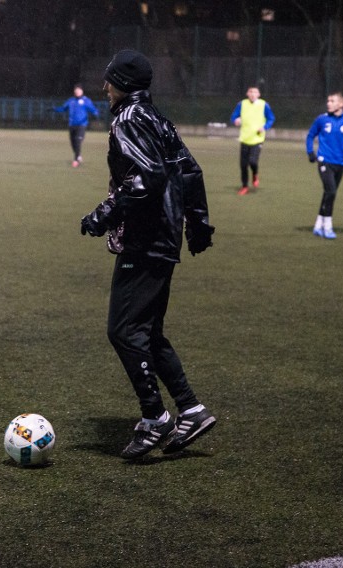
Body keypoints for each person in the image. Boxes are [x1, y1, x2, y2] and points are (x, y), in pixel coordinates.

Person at [80, 49, 216, 459]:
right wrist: (198, 223)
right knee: (147, 332)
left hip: (145, 237)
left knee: (122, 331)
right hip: (166, 236)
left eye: (108, 80)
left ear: (121, 83)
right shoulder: (157, 118)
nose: (104, 87)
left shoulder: (127, 119)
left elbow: (146, 178)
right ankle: (191, 409)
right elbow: (188, 170)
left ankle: (154, 417)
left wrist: (103, 214)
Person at [305, 92, 343, 239]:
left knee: (328, 193)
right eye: (328, 100)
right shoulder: (321, 119)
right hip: (324, 161)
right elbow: (310, 135)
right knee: (331, 192)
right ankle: (328, 227)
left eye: (332, 101)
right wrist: (310, 152)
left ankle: (318, 225)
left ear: (341, 104)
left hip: (340, 163)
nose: (328, 103)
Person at [230, 86, 274, 195]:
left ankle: (255, 174)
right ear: (247, 93)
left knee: (253, 162)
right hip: (245, 138)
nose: (253, 94)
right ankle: (244, 186)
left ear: (259, 94)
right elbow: (233, 117)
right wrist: (236, 120)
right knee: (243, 165)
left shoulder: (264, 105)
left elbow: (271, 118)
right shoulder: (242, 104)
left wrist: (264, 127)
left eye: (255, 92)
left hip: (257, 139)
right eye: (250, 91)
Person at [53, 83, 99, 167]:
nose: (77, 92)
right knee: (73, 142)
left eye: (79, 90)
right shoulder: (71, 100)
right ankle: (78, 155)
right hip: (72, 125)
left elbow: (93, 110)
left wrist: (96, 114)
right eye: (76, 90)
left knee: (78, 141)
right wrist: (54, 109)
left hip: (82, 125)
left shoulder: (86, 100)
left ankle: (75, 160)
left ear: (82, 91)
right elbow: (63, 108)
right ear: (74, 91)